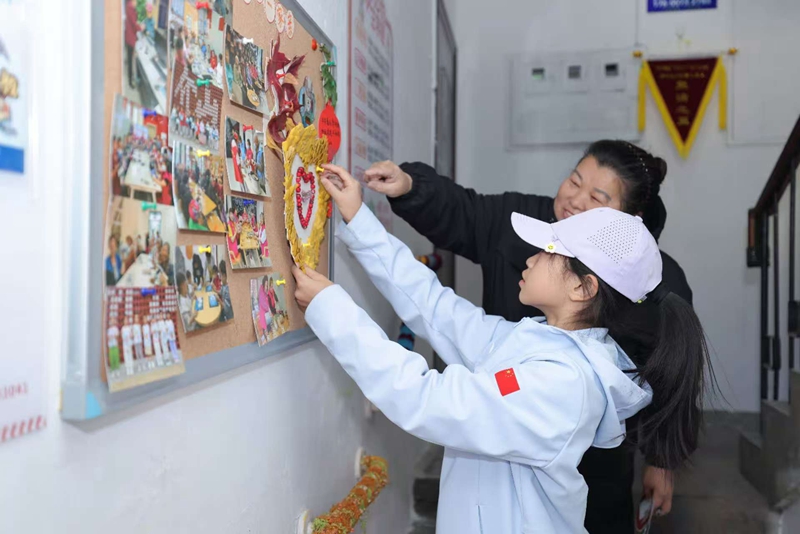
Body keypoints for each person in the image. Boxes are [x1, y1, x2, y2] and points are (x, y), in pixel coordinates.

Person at [293, 164, 713, 534]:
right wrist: (359, 218)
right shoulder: (536, 341)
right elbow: (438, 311)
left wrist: (332, 309)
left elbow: (427, 400)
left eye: (549, 251)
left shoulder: (562, 384)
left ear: (582, 288)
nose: (531, 257)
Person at [124, 0, 139, 89]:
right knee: (130, 60)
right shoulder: (130, 7)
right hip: (130, 39)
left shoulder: (130, 7)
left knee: (131, 59)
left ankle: (132, 79)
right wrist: (141, 27)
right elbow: (134, 24)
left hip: (130, 37)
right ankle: (130, 82)